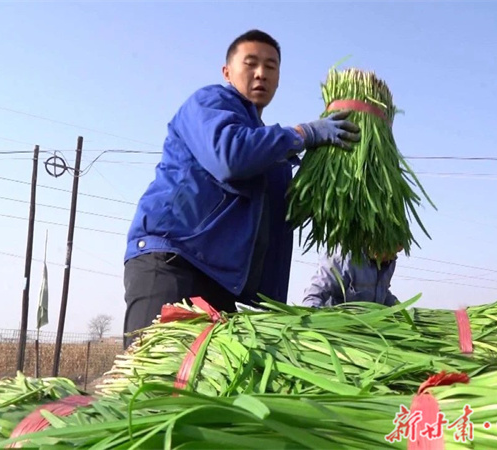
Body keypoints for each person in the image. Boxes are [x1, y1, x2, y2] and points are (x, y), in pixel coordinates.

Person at [122, 29, 361, 345]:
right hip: (174, 263)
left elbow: (283, 220)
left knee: (203, 378)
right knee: (157, 370)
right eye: (251, 63)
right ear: (227, 71)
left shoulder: (271, 154)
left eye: (271, 67)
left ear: (278, 79)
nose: (261, 73)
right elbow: (229, 156)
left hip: (223, 284)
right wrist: (303, 134)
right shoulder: (209, 103)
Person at [302, 247, 401, 308]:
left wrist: (400, 311)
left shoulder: (389, 262)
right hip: (339, 328)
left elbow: (380, 291)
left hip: (368, 329)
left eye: (395, 253)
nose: (392, 257)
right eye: (389, 250)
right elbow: (313, 296)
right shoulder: (343, 258)